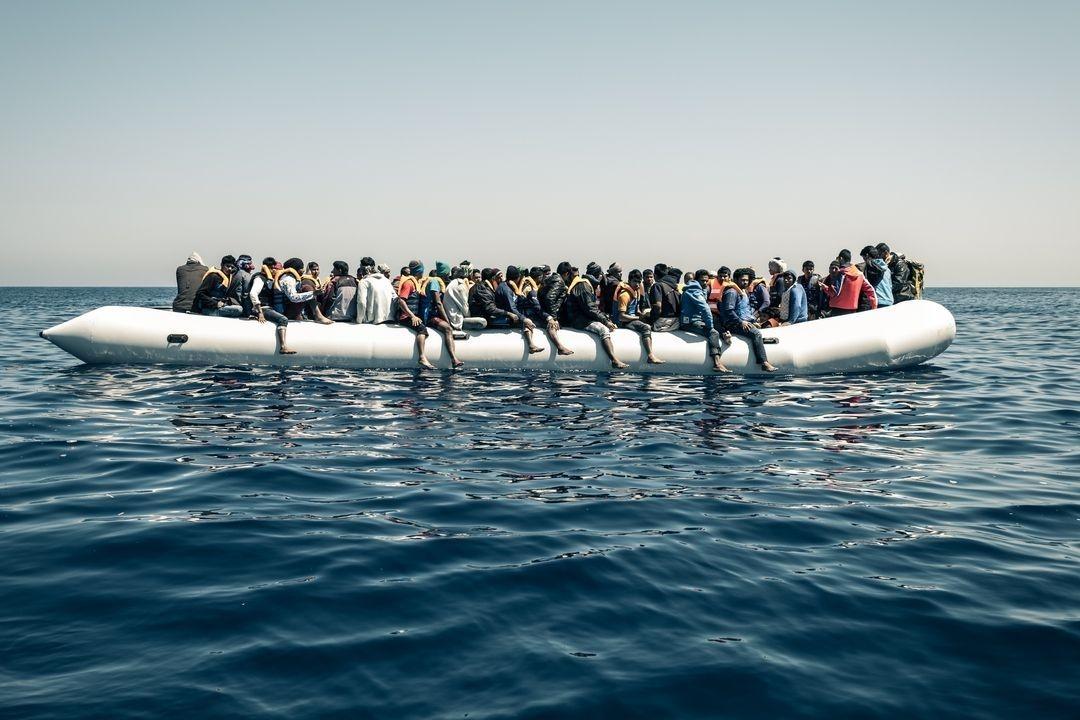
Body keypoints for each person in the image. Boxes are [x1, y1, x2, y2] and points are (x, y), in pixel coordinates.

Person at [558, 262, 628, 368]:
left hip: (582, 317)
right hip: (578, 320)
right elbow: (590, 309)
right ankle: (614, 360)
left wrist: (605, 318)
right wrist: (605, 321)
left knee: (605, 322)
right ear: (597, 275)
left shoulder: (586, 284)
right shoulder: (583, 286)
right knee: (603, 330)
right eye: (601, 275)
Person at [469, 268, 544, 354]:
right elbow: (490, 309)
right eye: (498, 277)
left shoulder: (491, 288)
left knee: (520, 316)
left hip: (490, 314)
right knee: (519, 320)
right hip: (486, 316)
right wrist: (513, 315)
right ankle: (531, 345)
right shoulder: (483, 289)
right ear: (493, 279)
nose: (501, 280)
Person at [719, 269, 778, 372]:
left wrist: (752, 321)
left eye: (746, 280)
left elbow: (745, 310)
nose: (745, 282)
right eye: (742, 280)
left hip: (744, 322)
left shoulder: (743, 292)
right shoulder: (732, 292)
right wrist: (741, 322)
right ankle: (763, 362)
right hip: (734, 324)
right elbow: (729, 310)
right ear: (736, 279)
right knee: (756, 334)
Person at [517, 265, 573, 355]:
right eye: (543, 276)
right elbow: (537, 308)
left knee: (549, 323)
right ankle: (531, 345)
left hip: (537, 315)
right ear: (539, 277)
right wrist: (550, 318)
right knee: (530, 322)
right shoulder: (532, 291)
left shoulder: (539, 290)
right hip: (529, 316)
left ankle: (560, 347)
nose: (545, 278)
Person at [245, 257, 296, 354]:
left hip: (267, 307)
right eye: (272, 268)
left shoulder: (268, 279)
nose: (274, 270)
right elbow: (253, 294)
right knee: (283, 319)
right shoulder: (259, 278)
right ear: (266, 268)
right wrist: (260, 313)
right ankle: (283, 347)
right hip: (260, 308)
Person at [613, 269, 663, 364]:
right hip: (624, 322)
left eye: (639, 282)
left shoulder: (636, 292)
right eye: (634, 281)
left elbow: (636, 310)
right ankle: (650, 355)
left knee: (650, 322)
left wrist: (644, 315)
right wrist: (638, 318)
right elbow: (621, 317)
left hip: (632, 318)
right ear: (629, 281)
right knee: (646, 327)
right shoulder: (624, 295)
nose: (637, 284)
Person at [681, 270, 727, 372]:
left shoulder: (700, 289)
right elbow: (705, 309)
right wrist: (710, 327)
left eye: (707, 281)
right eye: (702, 281)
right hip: (689, 322)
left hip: (695, 320)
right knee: (713, 332)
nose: (705, 283)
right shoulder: (694, 291)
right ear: (696, 280)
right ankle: (717, 363)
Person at [394, 259, 437, 369]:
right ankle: (422, 357)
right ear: (420, 271)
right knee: (422, 329)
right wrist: (412, 316)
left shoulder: (416, 283)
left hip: (412, 315)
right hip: (406, 317)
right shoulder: (409, 283)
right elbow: (401, 301)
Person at [424, 261, 465, 368]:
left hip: (439, 315)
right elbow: (438, 303)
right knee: (448, 329)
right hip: (431, 316)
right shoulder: (435, 282)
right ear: (445, 274)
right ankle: (454, 359)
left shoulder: (443, 283)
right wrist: (447, 321)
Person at [820, 249, 877, 315]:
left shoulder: (841, 273)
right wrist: (874, 307)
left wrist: (825, 288)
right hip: (852, 310)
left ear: (841, 258)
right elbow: (871, 290)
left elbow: (835, 292)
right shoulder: (859, 274)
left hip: (838, 310)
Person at [277, 258, 332, 324]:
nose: (303, 270)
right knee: (306, 288)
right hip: (284, 312)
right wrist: (313, 293)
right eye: (301, 268)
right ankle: (318, 315)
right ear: (296, 269)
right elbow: (293, 298)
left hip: (290, 310)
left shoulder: (292, 278)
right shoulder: (288, 279)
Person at [357, 257, 396, 324]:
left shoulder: (364, 282)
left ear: (362, 269)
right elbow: (395, 299)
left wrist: (359, 320)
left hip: (373, 322)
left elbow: (361, 303)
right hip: (390, 320)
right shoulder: (387, 281)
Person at [650, 267, 682, 332]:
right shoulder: (676, 289)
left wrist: (652, 320)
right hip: (676, 322)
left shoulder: (658, 285)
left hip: (662, 322)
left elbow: (658, 306)